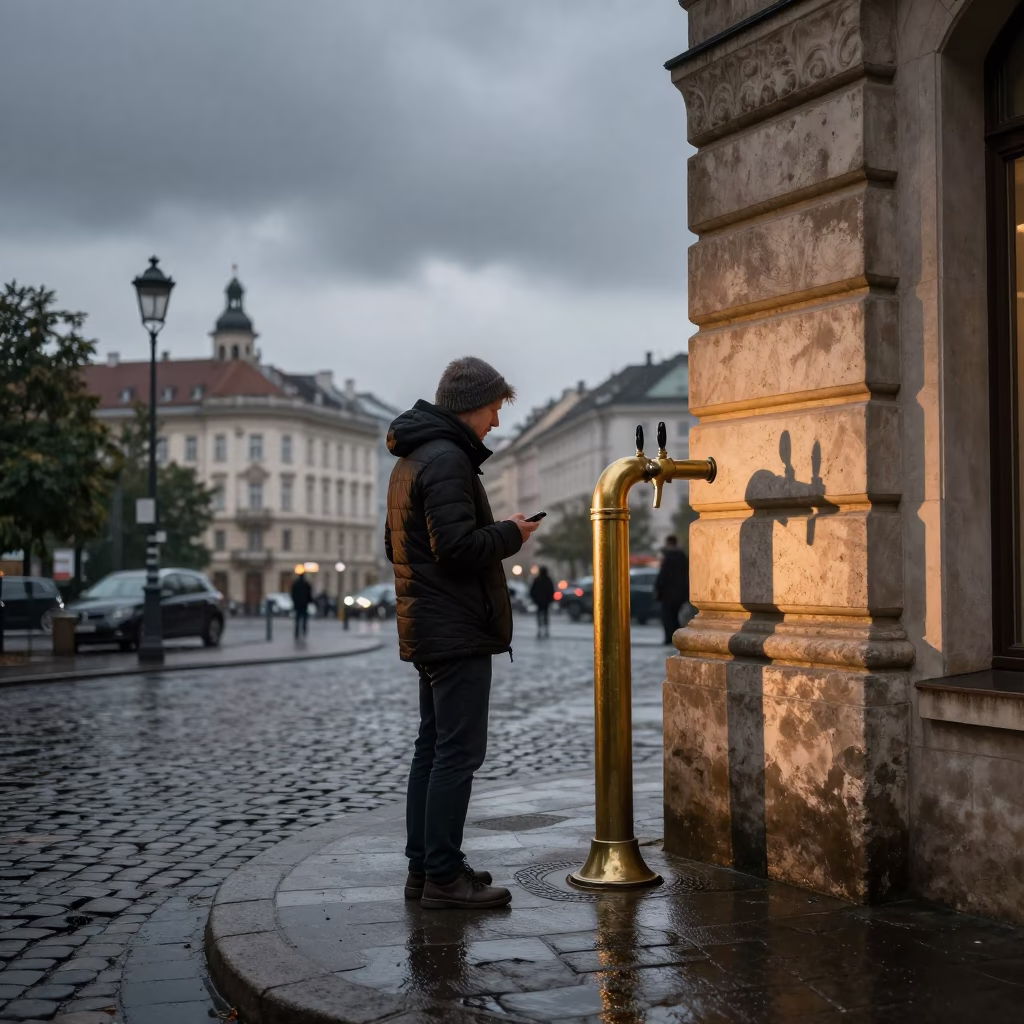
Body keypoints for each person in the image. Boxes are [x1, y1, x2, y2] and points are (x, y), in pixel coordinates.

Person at [385, 356, 542, 910]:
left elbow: (399, 547)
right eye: (495, 409)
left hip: (431, 624)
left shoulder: (413, 459)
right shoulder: (447, 459)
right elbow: (453, 548)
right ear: (473, 404)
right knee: (456, 753)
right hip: (455, 628)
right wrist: (509, 534)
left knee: (432, 749)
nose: (496, 422)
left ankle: (424, 868)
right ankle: (445, 879)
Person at [654, 534, 690, 645]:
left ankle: (669, 637)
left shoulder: (668, 557)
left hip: (668, 594)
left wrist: (657, 588)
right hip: (681, 594)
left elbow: (663, 575)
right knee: (676, 617)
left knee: (668, 617)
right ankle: (677, 637)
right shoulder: (683, 556)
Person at [529, 566, 556, 638]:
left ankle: (540, 629)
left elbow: (532, 591)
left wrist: (534, 599)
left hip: (539, 601)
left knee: (540, 615)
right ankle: (545, 629)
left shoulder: (537, 580)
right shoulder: (548, 580)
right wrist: (551, 599)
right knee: (545, 615)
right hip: (545, 601)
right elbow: (551, 591)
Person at [290, 570, 312, 640]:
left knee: (297, 619)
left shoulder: (295, 584)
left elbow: (292, 594)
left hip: (297, 605)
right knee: (304, 619)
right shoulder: (306, 584)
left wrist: (294, 601)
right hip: (304, 605)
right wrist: (309, 601)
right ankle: (304, 631)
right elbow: (309, 594)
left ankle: (296, 632)